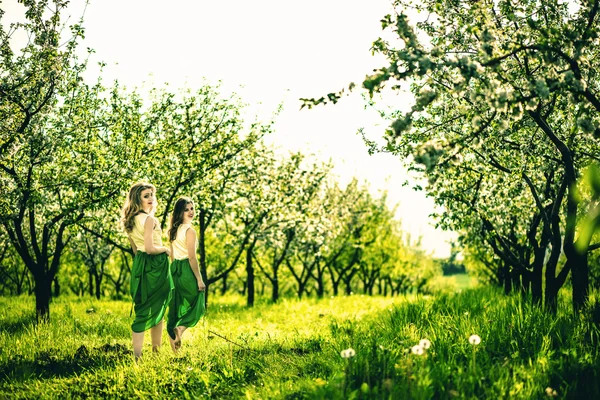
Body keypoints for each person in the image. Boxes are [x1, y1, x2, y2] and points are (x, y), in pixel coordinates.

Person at [121, 182, 173, 361]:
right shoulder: (150, 220)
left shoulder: (129, 220)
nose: (151, 199)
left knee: (143, 307)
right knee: (157, 308)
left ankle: (138, 356)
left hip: (140, 264)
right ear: (138, 199)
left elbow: (136, 250)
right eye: (146, 196)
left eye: (151, 194)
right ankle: (155, 353)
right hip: (155, 263)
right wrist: (165, 250)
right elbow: (151, 248)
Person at [167, 196, 206, 352]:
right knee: (199, 300)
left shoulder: (173, 230)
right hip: (185, 269)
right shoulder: (190, 231)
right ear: (179, 212)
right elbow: (192, 257)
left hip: (174, 269)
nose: (190, 212)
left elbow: (171, 254)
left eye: (192, 209)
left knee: (174, 308)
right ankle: (181, 329)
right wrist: (199, 279)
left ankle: (175, 351)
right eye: (186, 209)